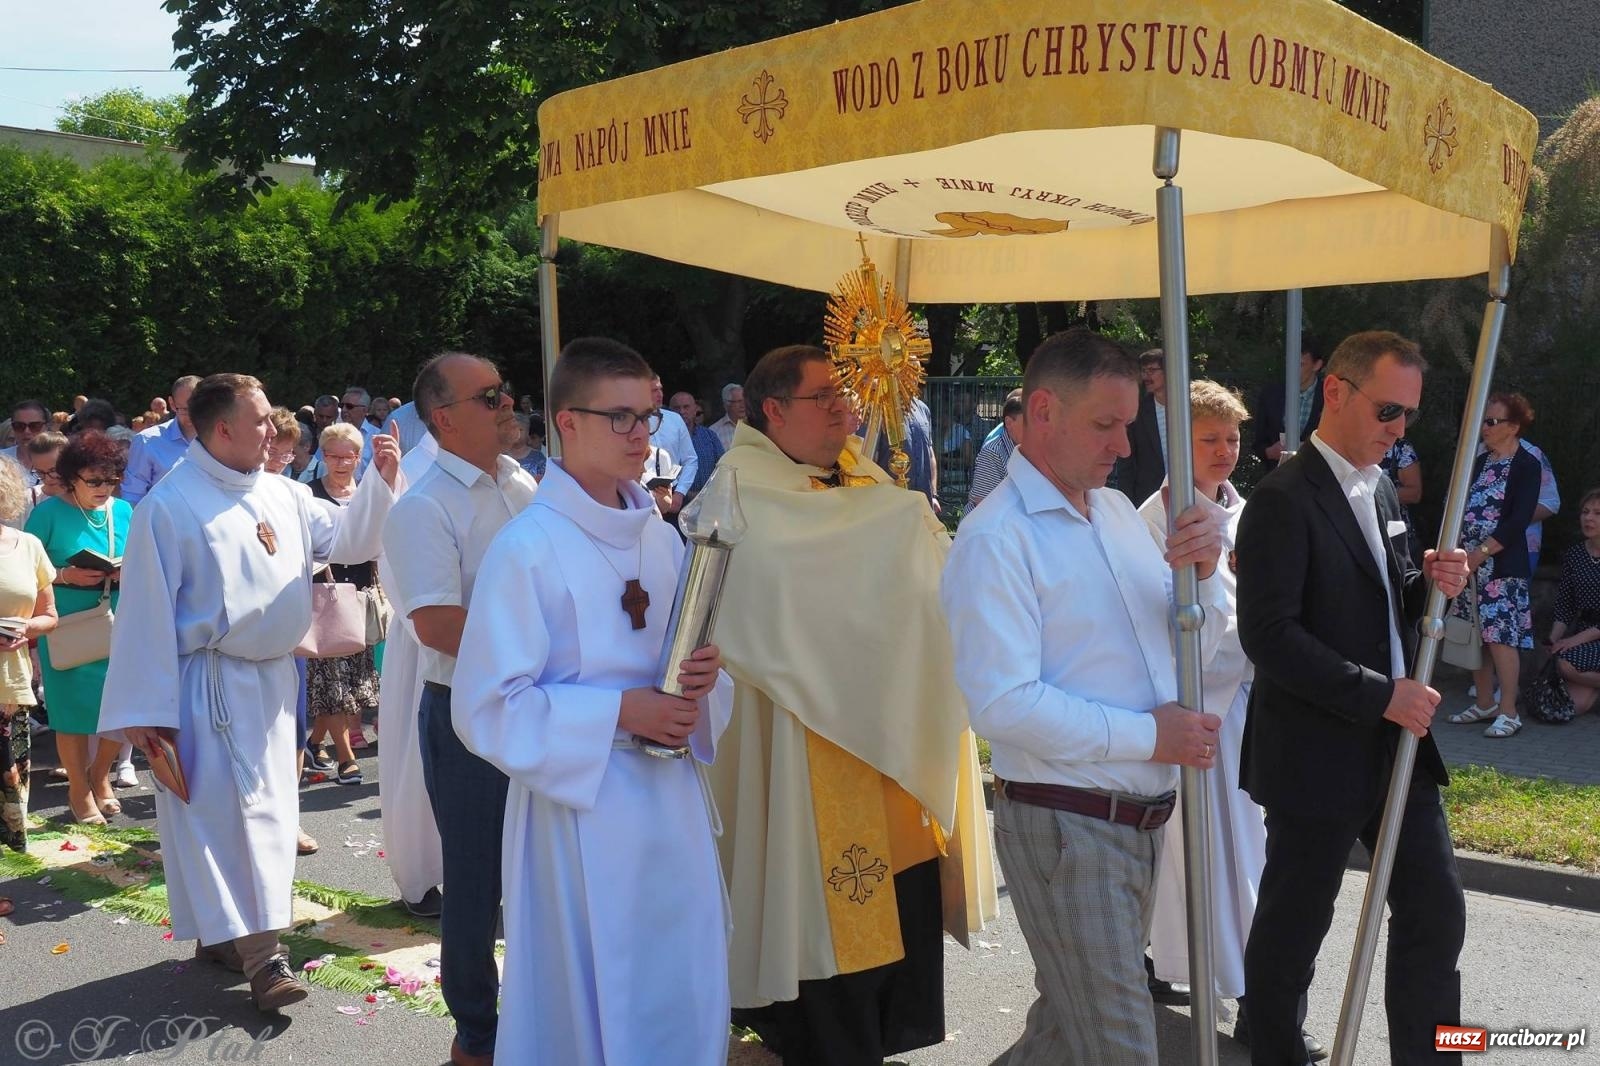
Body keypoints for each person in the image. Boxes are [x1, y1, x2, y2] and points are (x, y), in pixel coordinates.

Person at [944, 328, 1226, 1066]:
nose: (1125, 446)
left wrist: (1206, 574)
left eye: (1129, 424)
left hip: (1129, 823)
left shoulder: (1112, 516)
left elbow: (1189, 638)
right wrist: (1148, 737)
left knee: (1067, 1038)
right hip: (1068, 824)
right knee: (1120, 1047)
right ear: (1043, 411)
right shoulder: (994, 538)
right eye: (1106, 425)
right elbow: (1000, 704)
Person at [712, 344, 996, 1066]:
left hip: (883, 730)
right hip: (807, 737)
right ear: (772, 410)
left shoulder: (858, 474)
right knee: (825, 933)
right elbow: (769, 596)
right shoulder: (738, 489)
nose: (846, 409)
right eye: (824, 399)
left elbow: (910, 564)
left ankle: (873, 1038)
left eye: (846, 396)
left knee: (893, 911)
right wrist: (888, 531)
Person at [452, 337, 732, 1066]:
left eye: (648, 415)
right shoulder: (528, 548)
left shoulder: (661, 538)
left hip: (669, 802)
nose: (644, 435)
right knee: (590, 999)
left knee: (678, 977)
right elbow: (487, 707)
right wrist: (618, 713)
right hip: (579, 812)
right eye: (622, 418)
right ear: (567, 423)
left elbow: (681, 666)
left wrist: (703, 682)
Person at [99, 373, 398, 1013]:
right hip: (206, 686)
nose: (273, 429)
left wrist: (380, 479)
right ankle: (267, 960)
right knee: (234, 818)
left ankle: (220, 936)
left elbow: (349, 539)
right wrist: (149, 717)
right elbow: (146, 615)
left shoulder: (283, 493)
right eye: (260, 419)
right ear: (221, 428)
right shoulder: (170, 506)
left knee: (262, 816)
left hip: (273, 679)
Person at [1236, 330, 1471, 1066]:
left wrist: (1430, 581)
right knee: (1294, 929)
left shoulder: (1379, 491)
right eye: (1388, 410)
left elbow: (1385, 602)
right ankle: (1275, 1053)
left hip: (1397, 745)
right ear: (1335, 392)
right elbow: (1270, 636)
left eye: (1409, 417)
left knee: (1437, 914)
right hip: (1317, 750)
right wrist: (1381, 696)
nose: (1399, 430)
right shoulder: (1281, 498)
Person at [1137, 382, 1324, 1055]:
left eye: (1231, 438)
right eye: (1207, 439)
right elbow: (1169, 631)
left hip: (1252, 711)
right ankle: (1249, 1002)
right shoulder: (1155, 520)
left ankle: (1246, 991)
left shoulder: (1246, 512)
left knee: (1252, 863)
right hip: (1198, 715)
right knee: (1209, 862)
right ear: (1177, 441)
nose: (1223, 452)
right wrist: (1252, 638)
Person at [382, 353, 536, 1065]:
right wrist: (545, 638)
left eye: (506, 392)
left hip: (538, 702)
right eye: (490, 396)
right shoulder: (424, 506)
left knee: (543, 869)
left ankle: (541, 1011)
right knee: (475, 887)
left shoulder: (524, 485)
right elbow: (438, 625)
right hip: (468, 713)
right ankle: (477, 1036)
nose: (509, 404)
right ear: (443, 417)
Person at [25, 431, 133, 825]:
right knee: (71, 712)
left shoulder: (123, 511)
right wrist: (66, 573)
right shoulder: (48, 513)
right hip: (67, 624)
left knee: (119, 707)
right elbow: (25, 570)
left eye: (110, 480)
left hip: (117, 619)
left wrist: (126, 568)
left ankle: (99, 776)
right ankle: (77, 789)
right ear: (72, 477)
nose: (104, 488)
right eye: (94, 481)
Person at [375, 429, 446, 916]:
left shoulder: (506, 478)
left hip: (489, 644)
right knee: (419, 763)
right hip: (427, 641)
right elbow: (391, 563)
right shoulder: (413, 474)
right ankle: (423, 876)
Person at [1444, 392, 1542, 739]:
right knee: (1476, 636)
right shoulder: (1480, 461)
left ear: (1513, 427)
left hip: (1500, 566)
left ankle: (1509, 712)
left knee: (1501, 638)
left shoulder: (1527, 465)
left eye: (1491, 422)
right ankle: (1484, 702)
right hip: (1469, 566)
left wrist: (1480, 553)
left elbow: (1517, 521)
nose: (1483, 427)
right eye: (1482, 421)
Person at [299, 422, 386, 783]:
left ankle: (312, 743)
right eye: (332, 455)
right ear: (322, 456)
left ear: (358, 457)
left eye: (348, 456)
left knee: (352, 683)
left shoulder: (367, 492)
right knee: (334, 683)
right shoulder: (307, 492)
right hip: (323, 596)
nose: (340, 463)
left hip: (362, 595)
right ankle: (346, 759)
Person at [0, 458, 58, 852]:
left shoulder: (28, 546)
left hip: (10, 687)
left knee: (9, 789)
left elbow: (50, 616)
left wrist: (27, 629)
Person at [1548, 488, 1600, 717]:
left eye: (1598, 513)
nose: (1588, 518)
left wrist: (1571, 642)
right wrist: (1554, 638)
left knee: (1566, 662)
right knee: (1570, 706)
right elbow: (1565, 604)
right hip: (1586, 634)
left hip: (1590, 635)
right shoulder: (1575, 555)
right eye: (1585, 511)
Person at [123, 375, 200, 506]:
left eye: (199, 408)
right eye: (185, 409)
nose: (193, 415)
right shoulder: (146, 441)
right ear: (172, 404)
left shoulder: (220, 439)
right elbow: (133, 497)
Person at [1251, 337, 1326, 464]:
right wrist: (1270, 452)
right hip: (1278, 474)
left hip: (1317, 475)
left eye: (1301, 364)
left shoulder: (1329, 396)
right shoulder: (1271, 394)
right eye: (1290, 362)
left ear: (1317, 365)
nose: (1293, 369)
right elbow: (1258, 443)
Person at [1115, 348, 1168, 505]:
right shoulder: (1137, 411)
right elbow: (1126, 464)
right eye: (1143, 371)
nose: (1146, 376)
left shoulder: (1190, 408)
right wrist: (1127, 505)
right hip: (1149, 500)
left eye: (1152, 370)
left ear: (1168, 371)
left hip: (1191, 495)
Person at [646, 375, 697, 518]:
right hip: (645, 493)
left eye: (660, 389)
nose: (660, 394)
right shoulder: (632, 421)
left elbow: (690, 459)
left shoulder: (675, 419)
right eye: (653, 390)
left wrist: (680, 492)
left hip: (674, 493)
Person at [965, 388, 1022, 512]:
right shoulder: (992, 452)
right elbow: (983, 501)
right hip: (986, 526)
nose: (1033, 428)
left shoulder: (1025, 449)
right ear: (1009, 423)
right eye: (1027, 422)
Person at [669, 390, 725, 497]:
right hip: (675, 503)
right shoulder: (664, 439)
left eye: (686, 407)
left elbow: (722, 466)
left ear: (695, 410)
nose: (682, 411)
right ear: (669, 411)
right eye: (677, 408)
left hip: (708, 502)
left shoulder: (710, 436)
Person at [1379, 437, 1423, 563]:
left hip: (1393, 533)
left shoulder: (1400, 448)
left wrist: (1373, 493)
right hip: (1358, 533)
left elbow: (1415, 493)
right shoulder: (1350, 444)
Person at [505, 412, 547, 480]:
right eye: (512, 429)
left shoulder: (538, 457)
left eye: (520, 430)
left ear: (527, 432)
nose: (516, 432)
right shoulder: (501, 456)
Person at [710, 382, 746, 450]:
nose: (743, 405)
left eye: (745, 400)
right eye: (739, 401)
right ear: (726, 405)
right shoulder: (714, 432)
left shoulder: (757, 424)